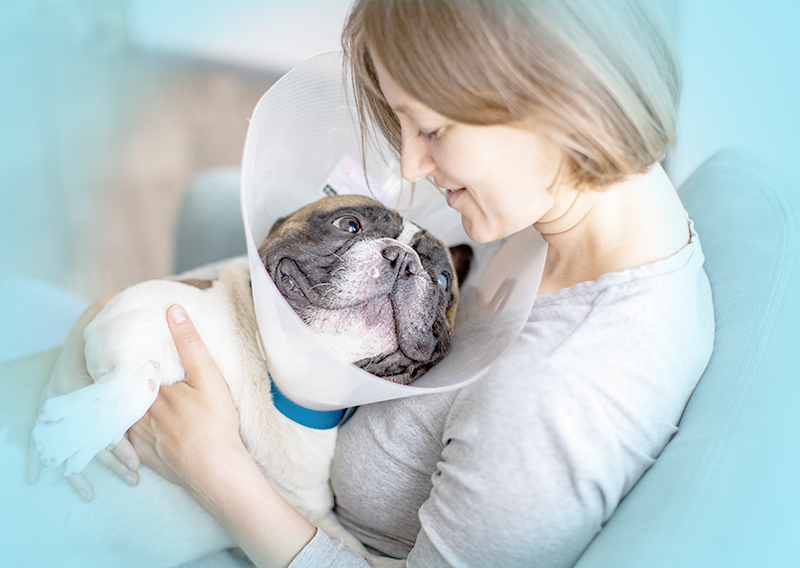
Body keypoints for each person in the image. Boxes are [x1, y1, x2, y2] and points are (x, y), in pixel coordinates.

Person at [34, 0, 715, 566]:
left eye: (434, 129)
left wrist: (211, 464)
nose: (412, 166)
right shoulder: (554, 203)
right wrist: (135, 321)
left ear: (564, 105)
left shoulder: (560, 394)